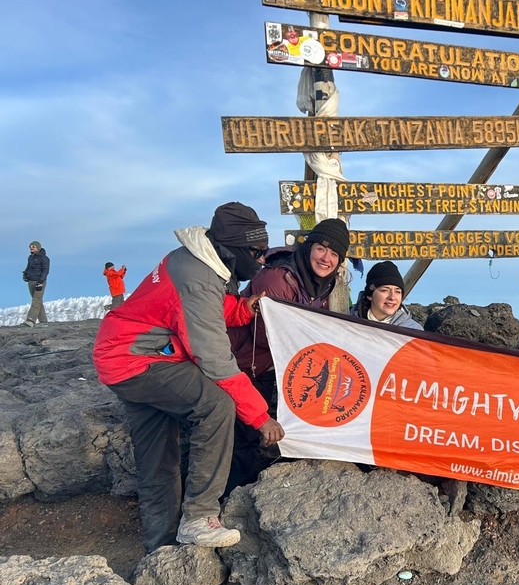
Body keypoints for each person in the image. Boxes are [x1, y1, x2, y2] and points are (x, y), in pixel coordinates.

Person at [92, 202, 285, 553]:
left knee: (158, 459)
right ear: (234, 249)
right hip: (138, 360)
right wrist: (261, 418)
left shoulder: (193, 260)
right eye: (257, 253)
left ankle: (160, 551)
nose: (260, 261)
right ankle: (199, 516)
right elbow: (215, 361)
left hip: (119, 357)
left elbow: (193, 307)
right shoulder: (198, 275)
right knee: (217, 404)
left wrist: (241, 309)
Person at [227, 217, 350, 492]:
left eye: (334, 254)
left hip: (275, 367)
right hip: (245, 363)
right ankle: (231, 499)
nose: (326, 258)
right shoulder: (278, 279)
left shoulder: (326, 285)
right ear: (309, 248)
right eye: (322, 249)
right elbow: (267, 336)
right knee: (242, 436)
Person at [350, 260, 423, 330]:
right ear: (370, 295)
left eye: (398, 292)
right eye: (385, 290)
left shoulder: (414, 330)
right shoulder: (348, 324)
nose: (392, 297)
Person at [21, 241, 49, 328]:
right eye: (30, 246)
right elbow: (28, 267)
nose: (31, 248)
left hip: (39, 281)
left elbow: (45, 271)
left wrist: (40, 282)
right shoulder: (30, 258)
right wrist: (25, 274)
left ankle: (30, 320)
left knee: (36, 301)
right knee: (37, 301)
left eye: (33, 246)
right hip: (31, 281)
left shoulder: (44, 258)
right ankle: (43, 321)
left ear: (38, 247)